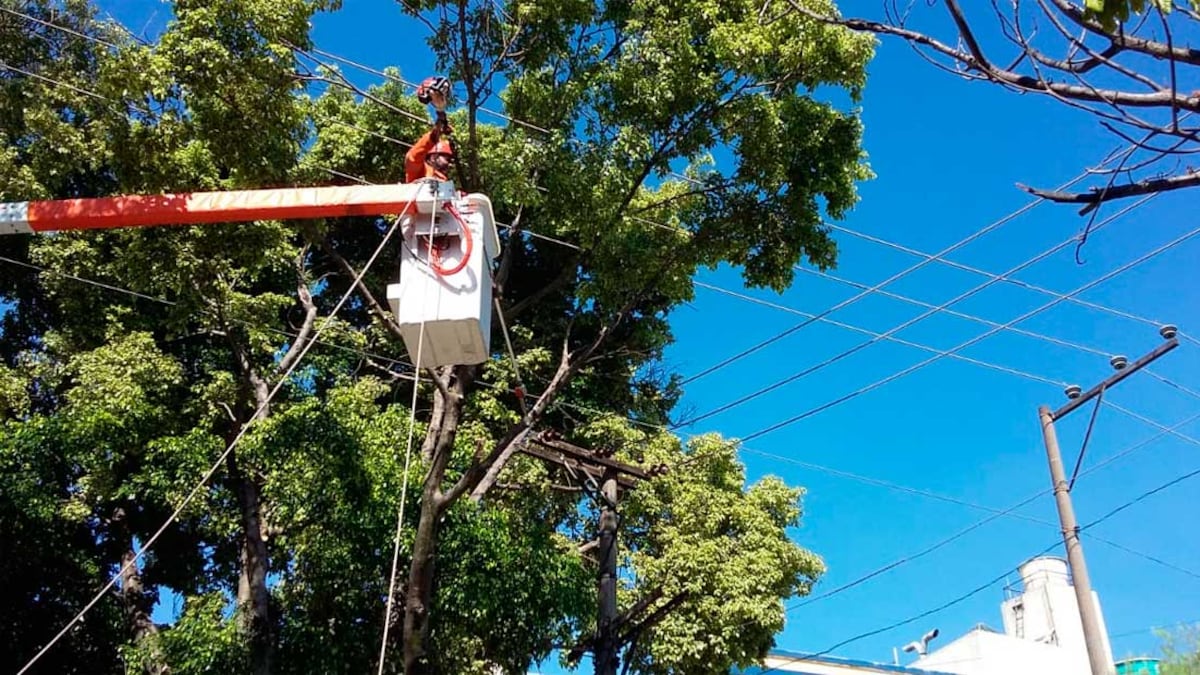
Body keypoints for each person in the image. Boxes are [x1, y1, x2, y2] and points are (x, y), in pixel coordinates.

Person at [405, 77, 455, 183]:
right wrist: (437, 128)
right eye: (447, 158)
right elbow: (412, 157)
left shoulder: (447, 187)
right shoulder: (420, 172)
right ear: (433, 157)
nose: (450, 164)